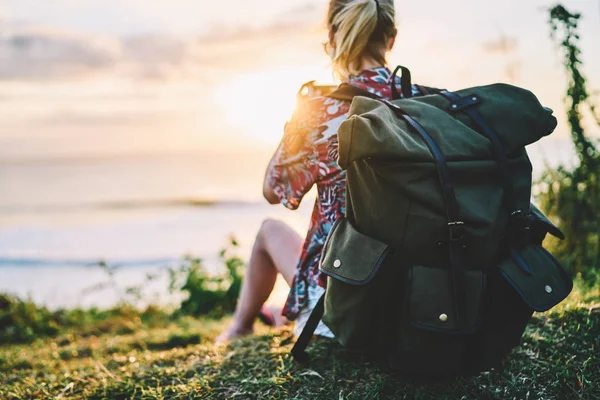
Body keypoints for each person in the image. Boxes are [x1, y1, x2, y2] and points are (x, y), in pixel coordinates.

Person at [217, 0, 415, 343]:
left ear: (333, 38)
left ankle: (239, 328)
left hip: (339, 310)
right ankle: (278, 313)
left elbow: (273, 189)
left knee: (269, 231)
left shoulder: (321, 111)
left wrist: (296, 128)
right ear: (392, 38)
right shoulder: (424, 106)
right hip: (416, 301)